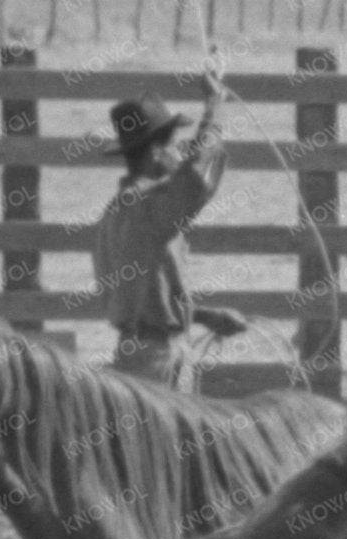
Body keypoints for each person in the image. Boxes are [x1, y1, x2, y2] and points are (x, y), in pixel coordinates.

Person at [92, 68, 248, 389]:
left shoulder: (116, 212)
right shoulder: (147, 207)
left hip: (138, 355)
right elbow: (194, 180)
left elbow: (139, 300)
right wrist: (214, 108)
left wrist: (204, 316)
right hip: (158, 362)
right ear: (156, 151)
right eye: (175, 146)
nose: (180, 154)